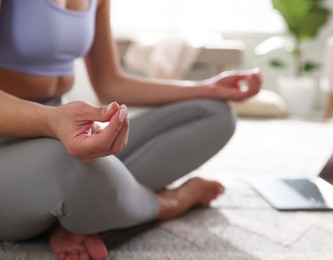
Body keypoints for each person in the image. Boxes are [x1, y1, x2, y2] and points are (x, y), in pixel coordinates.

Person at [0, 0, 262, 259]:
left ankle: (77, 212)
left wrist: (207, 88)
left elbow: (110, 84)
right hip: (17, 138)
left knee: (214, 113)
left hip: (54, 130)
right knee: (70, 165)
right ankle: (167, 203)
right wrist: (52, 120)